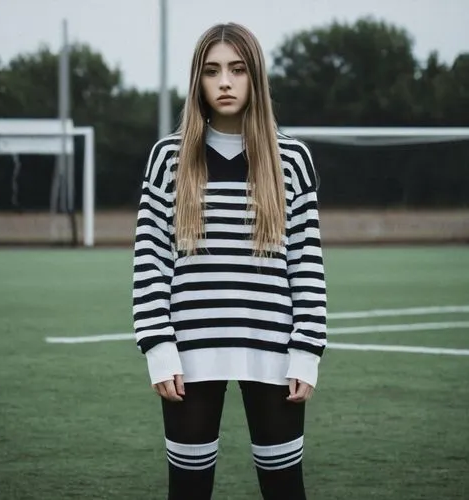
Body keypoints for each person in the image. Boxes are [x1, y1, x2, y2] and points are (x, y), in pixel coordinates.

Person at [132, 22, 327, 500]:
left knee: (284, 488)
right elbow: (151, 259)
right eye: (212, 70)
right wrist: (159, 348)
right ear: (197, 80)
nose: (224, 82)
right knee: (189, 489)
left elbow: (306, 263)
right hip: (188, 354)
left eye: (237, 70)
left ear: (254, 78)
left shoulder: (292, 159)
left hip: (274, 352)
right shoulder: (168, 158)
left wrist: (306, 350)